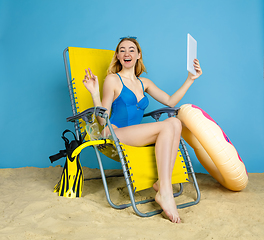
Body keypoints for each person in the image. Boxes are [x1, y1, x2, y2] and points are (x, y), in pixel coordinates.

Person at [82, 37, 202, 223]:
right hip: (114, 132)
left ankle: (163, 185)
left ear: (138, 55)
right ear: (118, 56)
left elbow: (170, 102)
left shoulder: (144, 83)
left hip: (137, 134)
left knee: (176, 123)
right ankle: (165, 191)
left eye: (131, 49)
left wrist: (190, 79)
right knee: (167, 125)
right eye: (122, 50)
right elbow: (101, 117)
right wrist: (94, 93)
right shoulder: (112, 80)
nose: (127, 53)